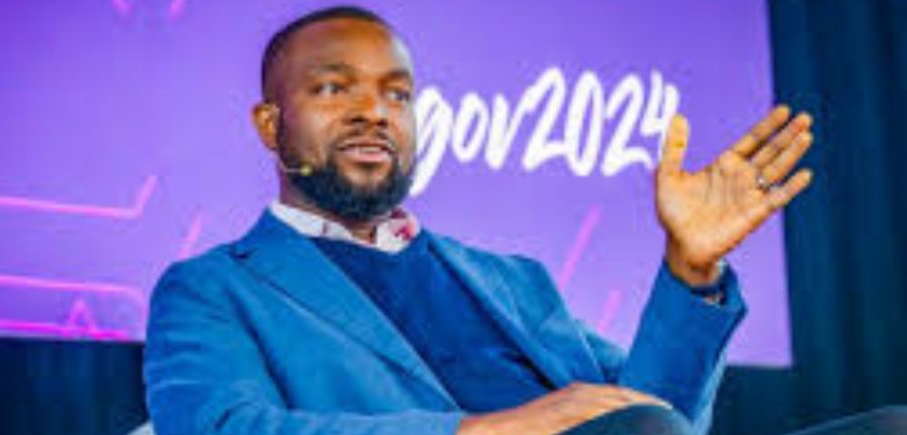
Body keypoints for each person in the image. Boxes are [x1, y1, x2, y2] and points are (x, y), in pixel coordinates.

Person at [143, 6, 817, 435]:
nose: (373, 111)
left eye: (397, 94)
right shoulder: (211, 289)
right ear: (270, 124)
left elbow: (653, 416)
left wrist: (690, 268)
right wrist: (491, 431)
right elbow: (222, 428)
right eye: (332, 87)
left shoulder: (513, 280)